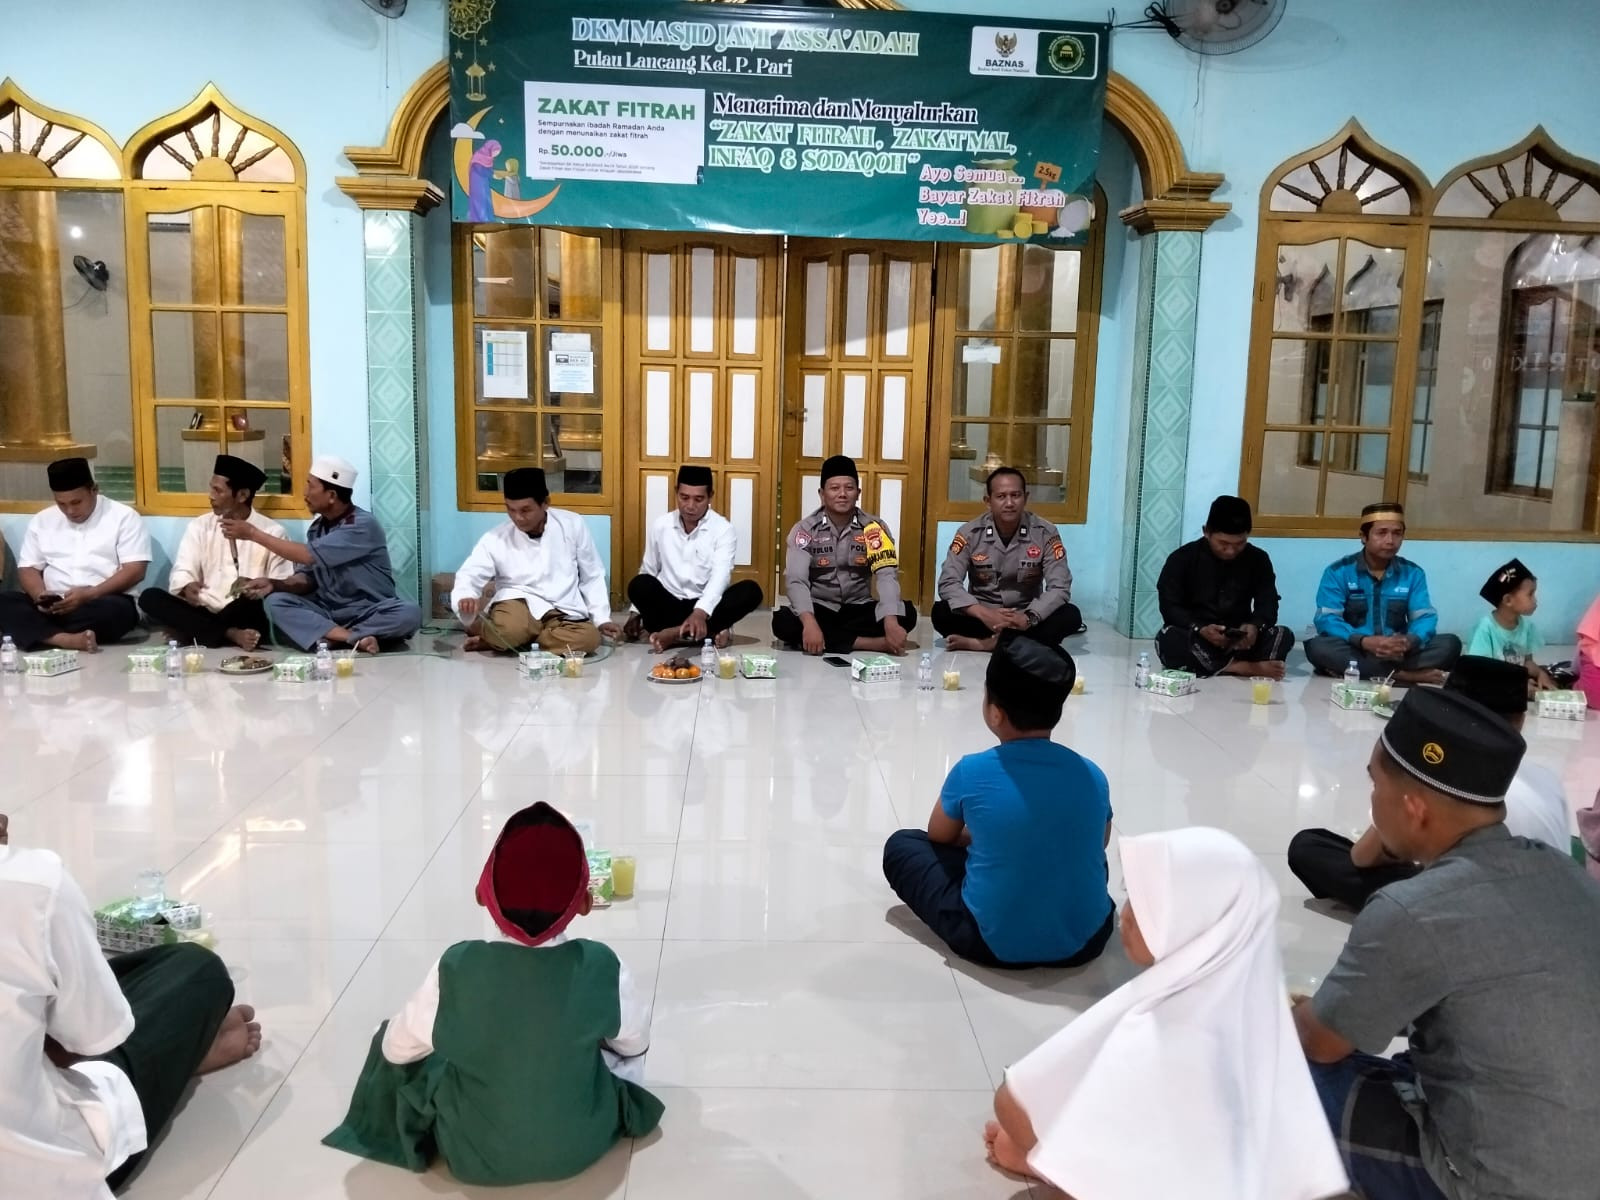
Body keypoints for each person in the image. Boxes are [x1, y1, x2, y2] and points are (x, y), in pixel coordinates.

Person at [1292, 686, 1600, 1200]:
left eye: (1375, 783)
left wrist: (1297, 1016)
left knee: (1286, 1071)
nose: (1372, 800)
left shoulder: (1413, 909)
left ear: (1414, 808)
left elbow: (1318, 1044)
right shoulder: (1564, 873)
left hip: (1499, 1185)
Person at [984, 827, 1348, 1200]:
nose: (1126, 916)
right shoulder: (1251, 1008)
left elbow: (1030, 1102)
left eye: (1148, 906)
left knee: (1017, 1100)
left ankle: (1049, 1167)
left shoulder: (1166, 1032)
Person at [322, 801, 663, 1185]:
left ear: (483, 894)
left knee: (404, 1040)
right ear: (583, 902)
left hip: (472, 1157)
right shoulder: (602, 966)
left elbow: (395, 1051)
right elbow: (635, 1045)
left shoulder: (456, 967)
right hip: (583, 1145)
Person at [0, 811, 262, 1197]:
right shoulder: (31, 883)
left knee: (75, 984)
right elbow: (87, 1043)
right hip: (41, 1172)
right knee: (195, 969)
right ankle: (181, 1056)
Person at [882, 634, 1114, 969]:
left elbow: (940, 836)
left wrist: (993, 835)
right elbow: (1100, 841)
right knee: (1082, 855)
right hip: (1087, 942)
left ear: (995, 713)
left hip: (990, 943)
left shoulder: (972, 771)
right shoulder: (1093, 774)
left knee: (903, 846)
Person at [1287, 655, 1572, 909]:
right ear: (1521, 720)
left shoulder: (1449, 777)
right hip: (1551, 899)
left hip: (1470, 905)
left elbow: (1363, 857)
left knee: (1310, 847)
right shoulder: (1546, 776)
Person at [221, 455, 421, 654]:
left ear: (331, 495)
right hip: (329, 612)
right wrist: (274, 584)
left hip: (370, 611)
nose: (305, 493)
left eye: (310, 486)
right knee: (275, 602)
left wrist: (253, 533)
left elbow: (308, 556)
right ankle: (353, 638)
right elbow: (307, 578)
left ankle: (332, 637)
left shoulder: (362, 525)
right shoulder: (317, 528)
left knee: (410, 613)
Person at [450, 467, 620, 656]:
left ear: (545, 503)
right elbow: (470, 573)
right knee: (510, 630)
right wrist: (466, 595)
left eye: (525, 510)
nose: (518, 517)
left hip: (562, 608)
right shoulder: (496, 537)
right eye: (511, 509)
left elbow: (592, 574)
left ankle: (504, 641)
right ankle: (503, 636)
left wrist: (601, 618)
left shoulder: (572, 524)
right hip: (518, 603)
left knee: (589, 639)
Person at [137, 455, 292, 650]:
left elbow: (279, 585)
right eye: (211, 488)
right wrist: (187, 585)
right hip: (205, 607)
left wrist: (255, 588)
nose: (210, 495)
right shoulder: (200, 526)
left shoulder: (273, 532)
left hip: (245, 611)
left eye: (218, 490)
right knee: (150, 597)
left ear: (242, 495)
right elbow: (183, 567)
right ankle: (230, 634)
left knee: (251, 605)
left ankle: (194, 631)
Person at [771, 455, 917, 656]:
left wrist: (890, 621)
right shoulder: (805, 530)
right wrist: (809, 622)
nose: (842, 494)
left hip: (859, 608)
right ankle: (874, 644)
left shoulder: (874, 528)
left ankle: (832, 639)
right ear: (822, 494)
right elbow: (796, 580)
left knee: (907, 614)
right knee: (783, 622)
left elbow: (886, 575)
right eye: (834, 488)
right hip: (821, 607)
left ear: (858, 493)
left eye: (849, 488)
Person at [0, 457, 149, 653]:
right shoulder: (42, 520)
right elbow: (28, 568)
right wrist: (39, 595)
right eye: (61, 504)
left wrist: (89, 594)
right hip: (54, 605)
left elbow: (135, 570)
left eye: (76, 502)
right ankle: (65, 639)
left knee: (116, 612)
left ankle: (40, 633)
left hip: (102, 600)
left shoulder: (124, 517)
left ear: (94, 490)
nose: (70, 511)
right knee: (4, 601)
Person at [1304, 502, 1461, 684]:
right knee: (1317, 646)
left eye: (1397, 533)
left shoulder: (1413, 573)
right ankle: (1403, 675)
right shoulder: (1338, 571)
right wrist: (1364, 641)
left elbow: (1424, 617)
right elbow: (1327, 619)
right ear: (1363, 536)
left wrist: (1408, 641)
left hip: (1398, 651)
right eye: (1381, 533)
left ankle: (1370, 671)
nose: (1390, 541)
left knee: (1450, 644)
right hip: (1357, 648)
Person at [931, 466, 1081, 652]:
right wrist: (984, 614)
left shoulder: (1045, 533)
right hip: (984, 616)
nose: (1009, 503)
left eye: (1015, 495)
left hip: (1026, 616)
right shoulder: (969, 533)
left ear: (1025, 498)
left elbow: (1060, 587)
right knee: (941, 612)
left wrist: (1028, 618)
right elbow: (948, 583)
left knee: (1071, 615)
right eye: (1001, 496)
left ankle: (986, 644)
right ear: (988, 501)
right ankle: (1016, 642)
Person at [622, 465, 763, 652]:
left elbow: (720, 577)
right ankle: (708, 632)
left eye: (698, 499)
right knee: (639, 584)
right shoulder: (661, 525)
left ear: (710, 496)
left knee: (751, 591)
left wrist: (700, 612)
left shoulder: (723, 529)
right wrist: (635, 613)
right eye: (684, 497)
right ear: (676, 493)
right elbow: (649, 569)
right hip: (669, 605)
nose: (690, 506)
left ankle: (674, 635)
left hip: (705, 607)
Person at [1154, 495, 1295, 680]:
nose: (1231, 550)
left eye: (1239, 544)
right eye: (1223, 543)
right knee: (1168, 637)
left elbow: (1268, 602)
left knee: (1283, 634)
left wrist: (1254, 626)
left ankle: (1215, 665)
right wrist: (1201, 628)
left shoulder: (1258, 559)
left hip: (1240, 641)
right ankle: (1240, 667)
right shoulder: (1182, 559)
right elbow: (1169, 606)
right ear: (1206, 532)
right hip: (1199, 638)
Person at [1467, 557, 1556, 691]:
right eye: (1530, 594)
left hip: (1513, 679)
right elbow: (1480, 671)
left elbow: (1527, 661)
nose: (1535, 600)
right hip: (1489, 681)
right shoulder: (1486, 628)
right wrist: (1517, 686)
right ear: (1508, 600)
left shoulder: (1527, 627)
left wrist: (1540, 674)